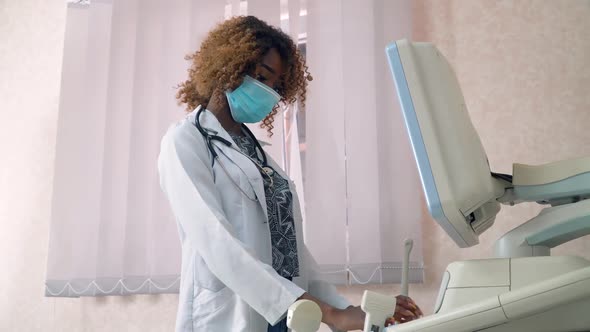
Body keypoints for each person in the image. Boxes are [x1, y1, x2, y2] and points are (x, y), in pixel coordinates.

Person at [157, 15, 422, 332]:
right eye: (262, 76)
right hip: (229, 317)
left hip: (285, 317)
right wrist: (329, 313)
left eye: (276, 86)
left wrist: (346, 309)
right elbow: (217, 242)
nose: (269, 92)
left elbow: (290, 248)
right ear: (229, 65)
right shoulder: (185, 141)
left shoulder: (256, 153)